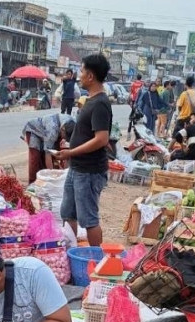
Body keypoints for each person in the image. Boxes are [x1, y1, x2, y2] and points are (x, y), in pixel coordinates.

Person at [53, 54, 112, 247]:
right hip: (77, 167)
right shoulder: (90, 100)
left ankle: (96, 260)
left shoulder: (101, 103)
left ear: (90, 76)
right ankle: (71, 252)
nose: (79, 76)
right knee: (68, 212)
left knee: (88, 219)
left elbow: (101, 139)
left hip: (89, 171)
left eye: (82, 71)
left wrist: (71, 152)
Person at [21, 113, 74, 183]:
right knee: (35, 158)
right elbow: (48, 154)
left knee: (62, 150)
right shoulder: (52, 131)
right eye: (65, 137)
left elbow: (68, 151)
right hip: (34, 131)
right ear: (62, 129)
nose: (64, 139)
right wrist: (52, 176)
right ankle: (32, 183)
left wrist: (65, 174)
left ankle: (44, 179)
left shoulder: (73, 122)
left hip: (48, 132)